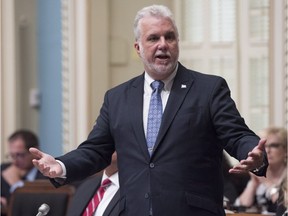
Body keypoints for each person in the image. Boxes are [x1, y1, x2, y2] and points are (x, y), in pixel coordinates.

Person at [29, 5, 268, 216]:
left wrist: (253, 153)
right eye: (153, 38)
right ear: (138, 47)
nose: (163, 44)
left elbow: (237, 135)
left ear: (177, 43)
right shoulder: (118, 98)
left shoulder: (208, 89)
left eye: (170, 37)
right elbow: (95, 151)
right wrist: (60, 166)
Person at [234, 126, 287, 214]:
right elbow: (241, 207)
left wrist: (267, 184)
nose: (268, 150)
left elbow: (282, 207)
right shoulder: (257, 174)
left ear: (286, 150)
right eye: (264, 147)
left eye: (274, 145)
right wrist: (253, 183)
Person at [0, 129, 47, 215]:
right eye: (12, 155)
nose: (15, 161)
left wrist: (16, 184)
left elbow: (40, 208)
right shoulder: (3, 170)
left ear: (35, 152)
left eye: (20, 155)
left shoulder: (48, 174)